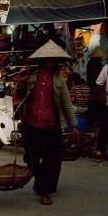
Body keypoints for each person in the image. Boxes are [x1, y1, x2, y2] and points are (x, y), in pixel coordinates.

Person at [12, 40, 79, 206]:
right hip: (31, 123)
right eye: (47, 60)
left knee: (52, 160)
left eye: (53, 60)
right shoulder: (31, 77)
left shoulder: (59, 81)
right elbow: (18, 93)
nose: (50, 63)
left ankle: (44, 191)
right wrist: (20, 82)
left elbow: (67, 104)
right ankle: (41, 182)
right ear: (41, 61)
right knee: (31, 158)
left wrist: (74, 125)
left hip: (51, 125)